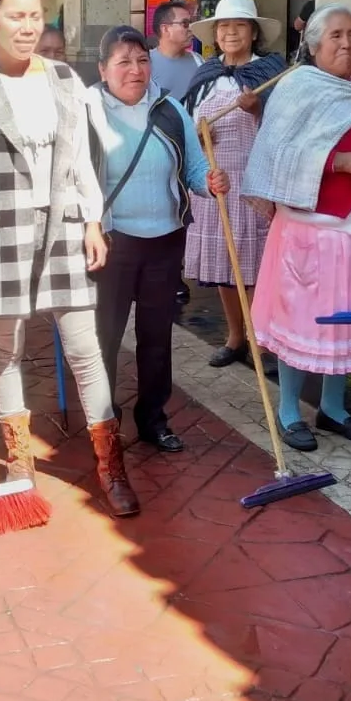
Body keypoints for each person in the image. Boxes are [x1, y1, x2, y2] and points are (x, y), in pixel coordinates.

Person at [0, 0, 138, 517]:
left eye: (35, 16)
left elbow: (80, 160)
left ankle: (110, 464)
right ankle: (20, 462)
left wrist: (94, 221)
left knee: (85, 350)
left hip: (64, 225)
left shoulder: (66, 79)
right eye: (15, 16)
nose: (27, 27)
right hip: (0, 227)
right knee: (6, 351)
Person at [241, 6, 351, 448]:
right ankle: (288, 411)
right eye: (336, 35)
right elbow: (276, 158)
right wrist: (341, 162)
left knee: (348, 322)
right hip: (308, 228)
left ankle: (334, 410)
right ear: (315, 45)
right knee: (303, 321)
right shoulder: (296, 89)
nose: (347, 43)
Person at [88, 26, 228, 453]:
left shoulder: (169, 108)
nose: (135, 70)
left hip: (165, 239)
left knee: (156, 337)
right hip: (111, 242)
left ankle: (153, 417)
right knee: (104, 336)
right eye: (124, 61)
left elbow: (194, 167)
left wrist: (209, 181)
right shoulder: (88, 110)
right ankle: (103, 418)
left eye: (142, 60)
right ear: (103, 69)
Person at [180, 0, 285, 369]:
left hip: (255, 179)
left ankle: (262, 337)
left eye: (239, 26)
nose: (230, 32)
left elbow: (285, 127)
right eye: (224, 27)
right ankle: (235, 336)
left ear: (253, 32)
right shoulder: (205, 74)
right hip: (215, 181)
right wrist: (198, 132)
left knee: (257, 263)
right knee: (226, 264)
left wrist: (257, 107)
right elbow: (190, 127)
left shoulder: (270, 73)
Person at [148, 1, 203, 97]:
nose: (191, 28)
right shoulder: (145, 63)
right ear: (165, 29)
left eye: (192, 23)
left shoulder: (199, 61)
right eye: (185, 23)